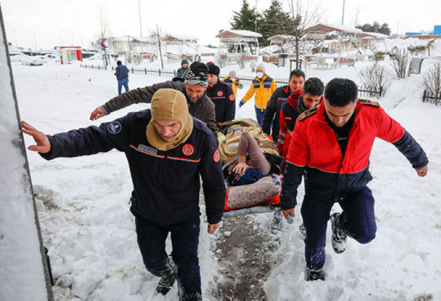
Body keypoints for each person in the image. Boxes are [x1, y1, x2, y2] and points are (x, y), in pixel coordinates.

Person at [22, 89, 225, 300]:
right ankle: (167, 271)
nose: (166, 132)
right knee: (153, 262)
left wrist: (215, 214)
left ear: (184, 117)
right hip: (147, 213)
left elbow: (214, 181)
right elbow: (95, 137)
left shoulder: (202, 137)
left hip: (184, 215)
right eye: (159, 124)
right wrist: (54, 144)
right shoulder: (135, 125)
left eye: (173, 125)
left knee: (188, 264)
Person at [280, 78, 429, 281]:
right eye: (333, 114)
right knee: (314, 236)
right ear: (324, 103)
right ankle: (315, 270)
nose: (339, 120)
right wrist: (287, 200)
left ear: (355, 104)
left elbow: (399, 136)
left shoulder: (372, 114)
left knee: (366, 232)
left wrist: (419, 160)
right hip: (319, 187)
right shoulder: (307, 122)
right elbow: (295, 165)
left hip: (354, 185)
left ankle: (340, 224)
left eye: (345, 115)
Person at [89, 62, 218, 132]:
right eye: (190, 89)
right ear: (185, 84)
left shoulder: (208, 106)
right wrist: (107, 108)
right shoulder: (170, 89)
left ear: (205, 88)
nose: (194, 95)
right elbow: (138, 94)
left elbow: (211, 132)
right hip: (161, 140)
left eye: (198, 91)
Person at [277, 77, 323, 160]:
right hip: (290, 155)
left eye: (317, 101)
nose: (312, 105)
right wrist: (279, 155)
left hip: (313, 158)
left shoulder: (324, 110)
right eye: (309, 99)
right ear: (302, 93)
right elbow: (282, 133)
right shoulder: (287, 107)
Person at [262, 69, 305, 143]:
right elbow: (268, 114)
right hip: (278, 137)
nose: (297, 86)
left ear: (304, 82)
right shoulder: (278, 93)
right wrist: (266, 134)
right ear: (289, 81)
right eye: (294, 82)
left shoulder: (307, 97)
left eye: (300, 82)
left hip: (298, 140)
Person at [239, 63, 277, 127]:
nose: (259, 72)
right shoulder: (255, 82)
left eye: (260, 71)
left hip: (268, 108)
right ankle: (262, 136)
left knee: (270, 124)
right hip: (258, 109)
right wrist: (242, 101)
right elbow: (249, 93)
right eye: (257, 71)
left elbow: (276, 93)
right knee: (261, 125)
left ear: (263, 72)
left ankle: (270, 136)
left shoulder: (270, 81)